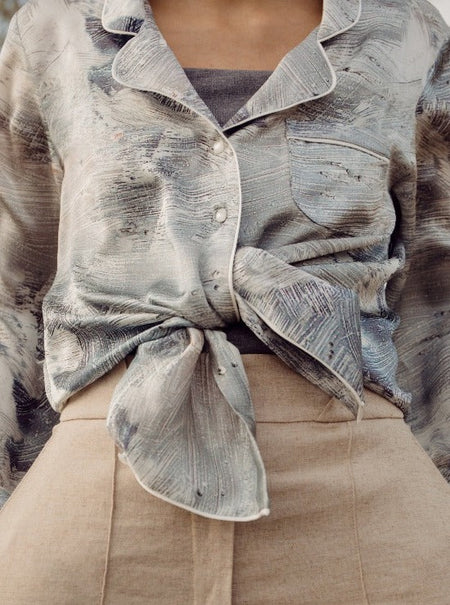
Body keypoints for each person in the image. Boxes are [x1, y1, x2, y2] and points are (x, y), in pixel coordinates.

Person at [0, 0, 449, 603]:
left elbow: (435, 307)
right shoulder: (53, 29)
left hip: (357, 479)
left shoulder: (407, 32)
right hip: (100, 480)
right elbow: (14, 298)